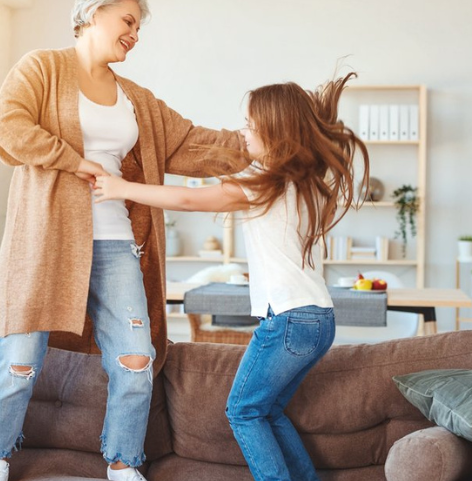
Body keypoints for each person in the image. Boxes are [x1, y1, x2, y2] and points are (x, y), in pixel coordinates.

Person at [0, 0, 246, 481]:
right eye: (128, 22)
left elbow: (192, 142)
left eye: (138, 27)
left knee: (136, 360)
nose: (135, 35)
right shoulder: (42, 67)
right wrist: (72, 160)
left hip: (118, 242)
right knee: (19, 359)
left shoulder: (135, 98)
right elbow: (5, 125)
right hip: (46, 241)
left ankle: (124, 461)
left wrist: (260, 140)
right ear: (93, 15)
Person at [93, 76, 370, 481]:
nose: (242, 131)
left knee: (242, 411)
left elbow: (189, 199)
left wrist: (122, 187)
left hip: (290, 318)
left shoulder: (264, 183)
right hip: (318, 317)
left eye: (248, 123)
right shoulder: (303, 180)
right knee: (267, 410)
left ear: (272, 128)